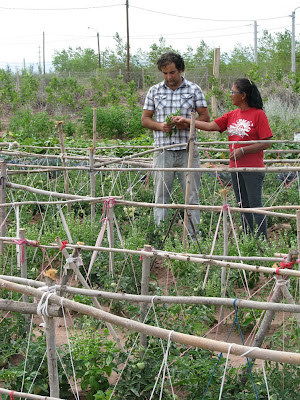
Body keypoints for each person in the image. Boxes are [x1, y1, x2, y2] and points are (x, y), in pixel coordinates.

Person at [172, 78, 272, 239]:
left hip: (253, 168)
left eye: (233, 92)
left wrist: (243, 150)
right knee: (242, 205)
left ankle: (261, 241)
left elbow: (266, 143)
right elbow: (211, 126)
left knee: (255, 206)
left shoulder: (258, 115)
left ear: (243, 95)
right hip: (235, 167)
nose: (230, 95)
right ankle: (248, 241)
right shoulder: (232, 115)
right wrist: (187, 120)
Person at [141, 52, 210, 240]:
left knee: (191, 196)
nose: (169, 77)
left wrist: (187, 122)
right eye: (165, 73)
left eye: (172, 72)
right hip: (163, 151)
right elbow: (145, 119)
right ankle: (160, 237)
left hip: (187, 151)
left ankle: (194, 239)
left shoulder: (194, 90)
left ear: (180, 70)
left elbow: (205, 117)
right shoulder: (154, 91)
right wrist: (161, 126)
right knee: (161, 196)